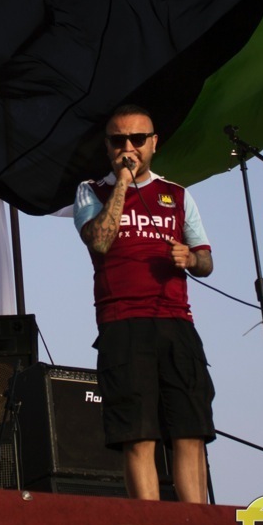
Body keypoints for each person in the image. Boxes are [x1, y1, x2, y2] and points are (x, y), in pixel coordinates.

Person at [73, 104, 216, 503]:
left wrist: (191, 259)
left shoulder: (178, 195)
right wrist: (122, 181)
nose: (128, 148)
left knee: (190, 431)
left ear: (154, 143)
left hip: (176, 322)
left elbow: (206, 259)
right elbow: (100, 240)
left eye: (137, 139)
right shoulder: (90, 190)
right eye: (118, 140)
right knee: (137, 434)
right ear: (107, 146)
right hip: (122, 323)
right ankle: (149, 524)